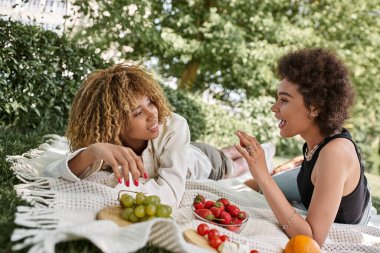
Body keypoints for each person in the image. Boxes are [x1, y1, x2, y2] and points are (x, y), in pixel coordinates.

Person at [43, 63, 256, 207]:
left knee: (235, 166)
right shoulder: (105, 142)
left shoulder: (175, 125)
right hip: (187, 150)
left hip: (203, 162)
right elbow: (53, 175)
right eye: (137, 112)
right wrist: (91, 152)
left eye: (151, 102)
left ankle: (261, 150)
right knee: (225, 152)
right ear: (113, 124)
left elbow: (170, 195)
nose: (153, 114)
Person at [235, 48, 372, 246]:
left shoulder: (335, 154)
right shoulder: (317, 139)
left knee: (262, 183)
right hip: (313, 176)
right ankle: (297, 166)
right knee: (250, 186)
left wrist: (263, 174)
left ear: (315, 107)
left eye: (284, 100)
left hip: (352, 201)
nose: (274, 108)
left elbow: (313, 239)